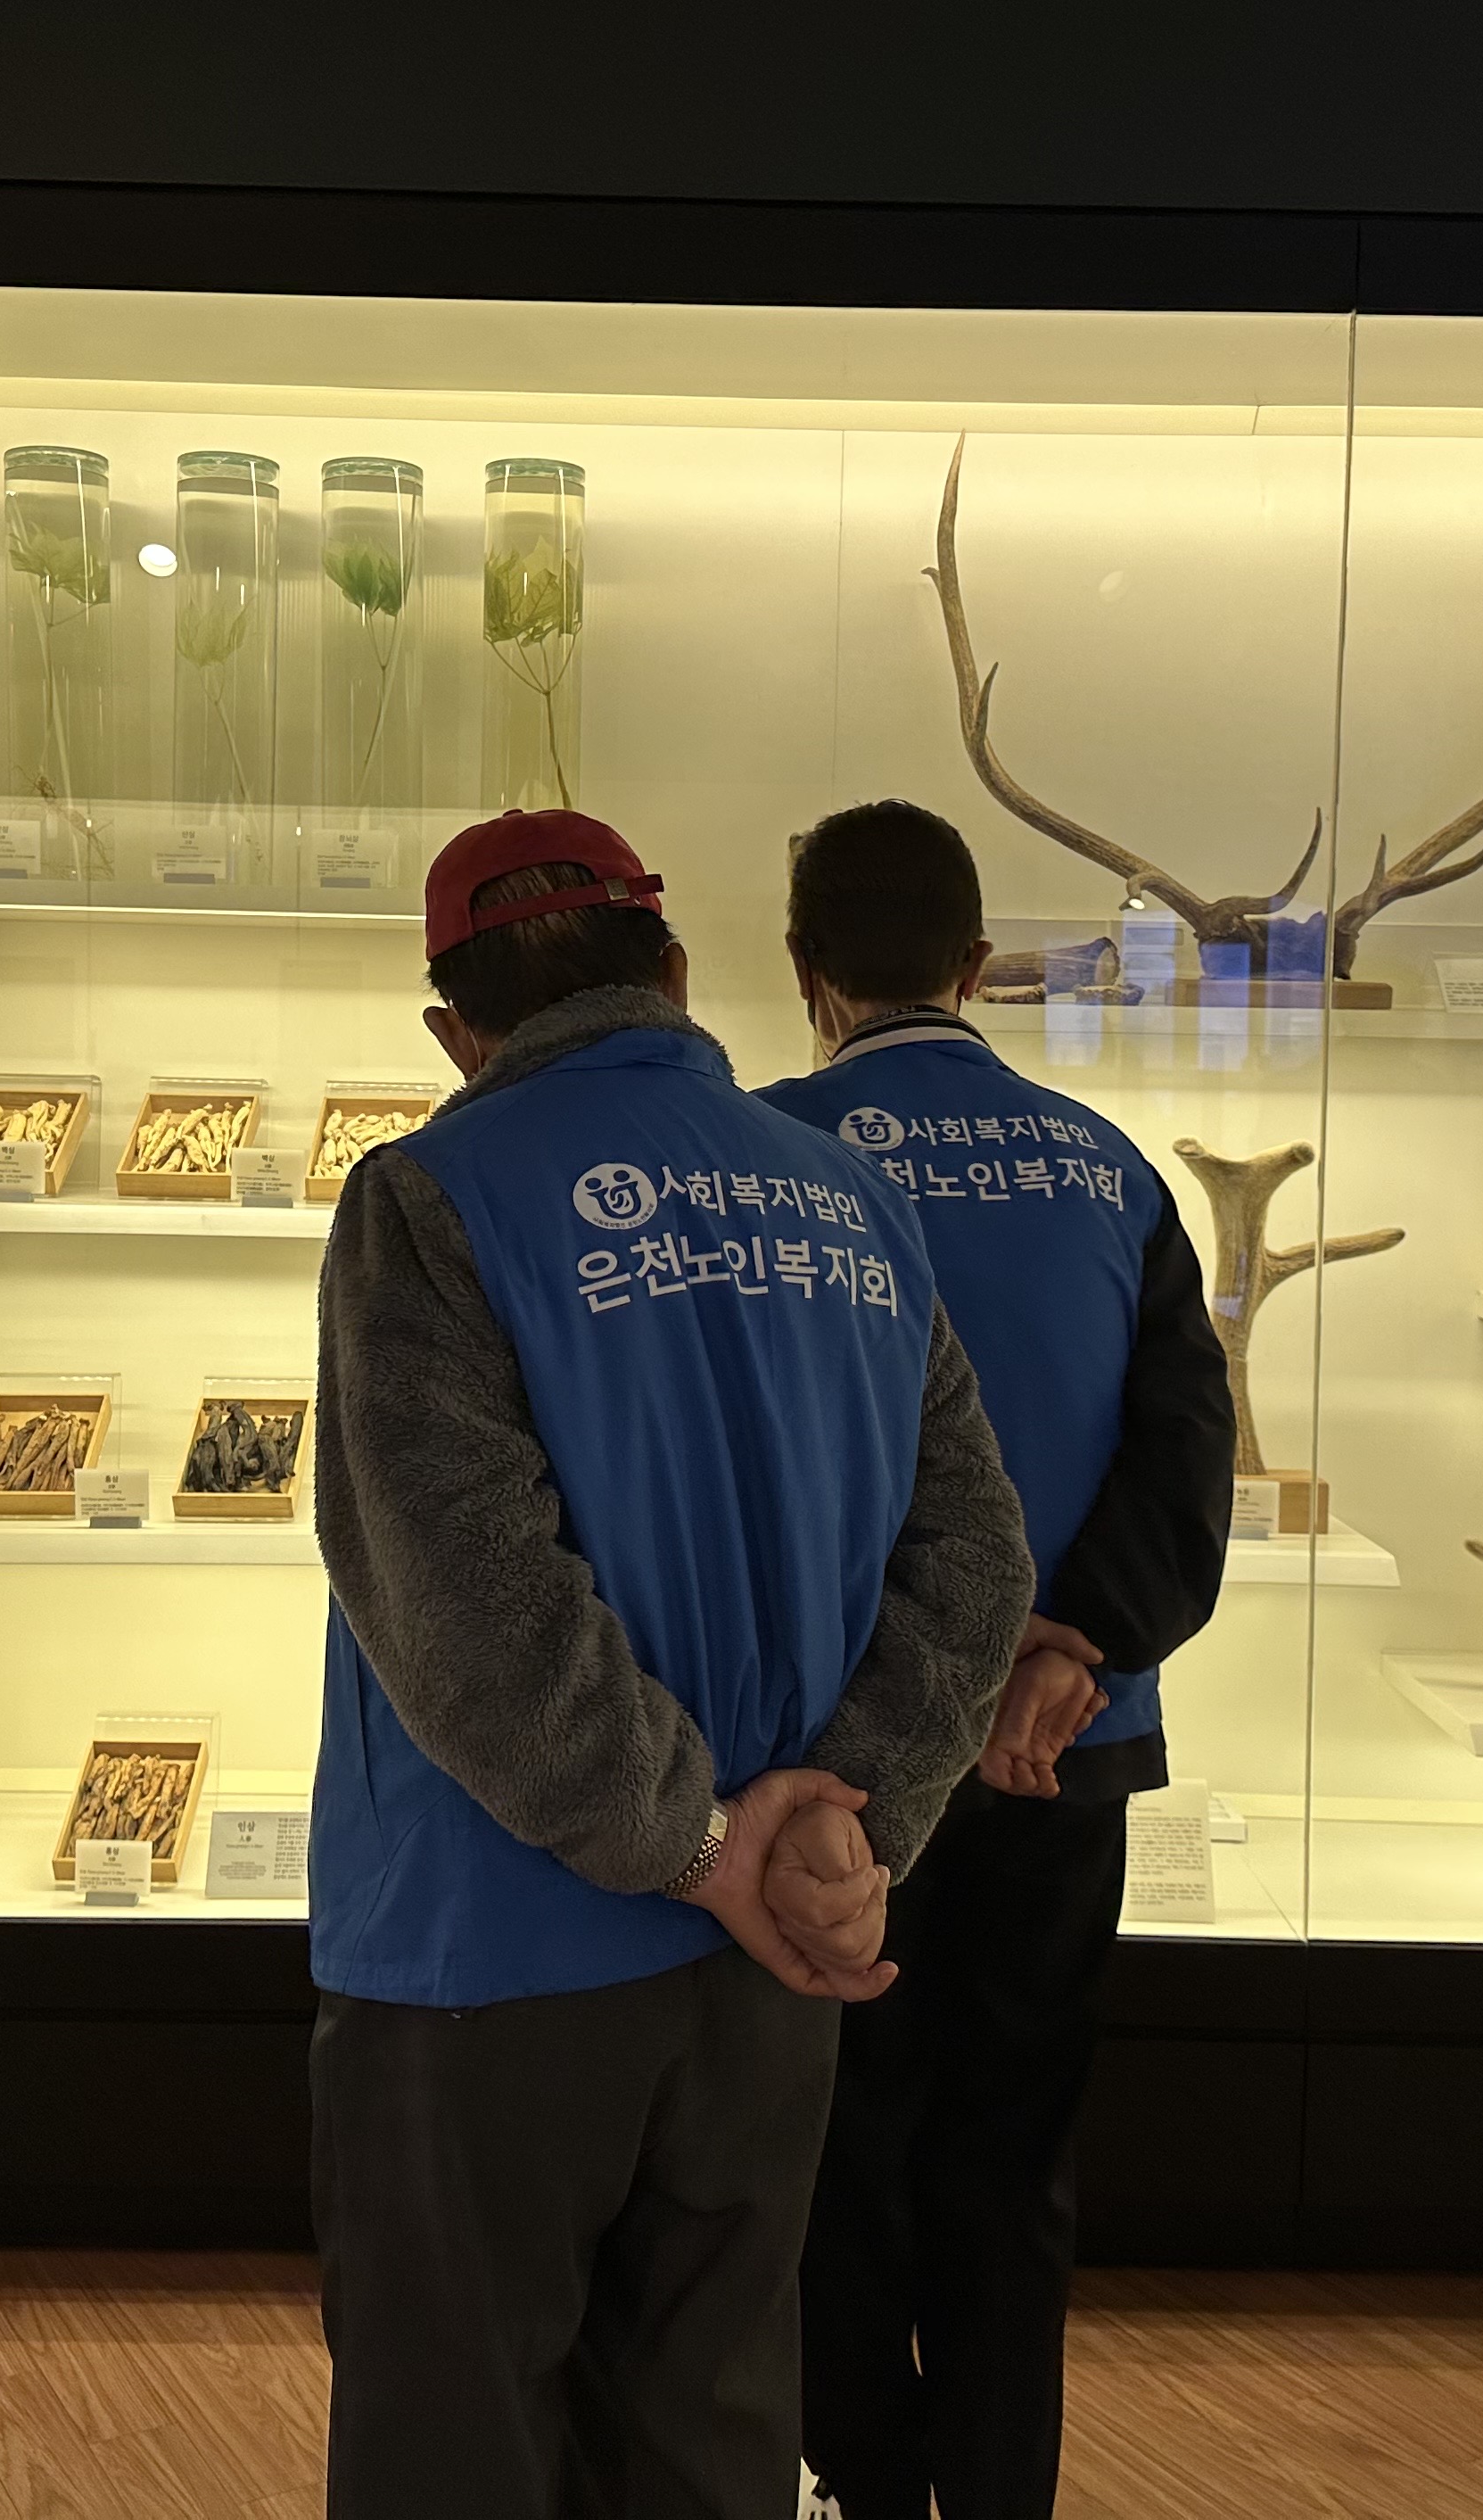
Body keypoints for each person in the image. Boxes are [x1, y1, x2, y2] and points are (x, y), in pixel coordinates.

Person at [305, 806, 1036, 2520]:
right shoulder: (850, 1197)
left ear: (455, 1031)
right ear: (680, 972)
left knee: (454, 2448)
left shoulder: (428, 1198)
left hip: (486, 1959)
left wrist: (696, 1845)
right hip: (771, 1972)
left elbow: (467, 1604)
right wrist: (842, 1830)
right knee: (711, 2444)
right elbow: (978, 1564)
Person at [756, 798, 1237, 2520]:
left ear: (803, 970)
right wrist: (1073, 1644)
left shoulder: (759, 1159)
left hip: (831, 1763)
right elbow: (1189, 1452)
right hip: (1065, 1748)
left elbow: (757, 1473)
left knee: (835, 2160)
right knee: (1014, 2164)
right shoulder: (1113, 1170)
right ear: (976, 965)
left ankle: (858, 2494)